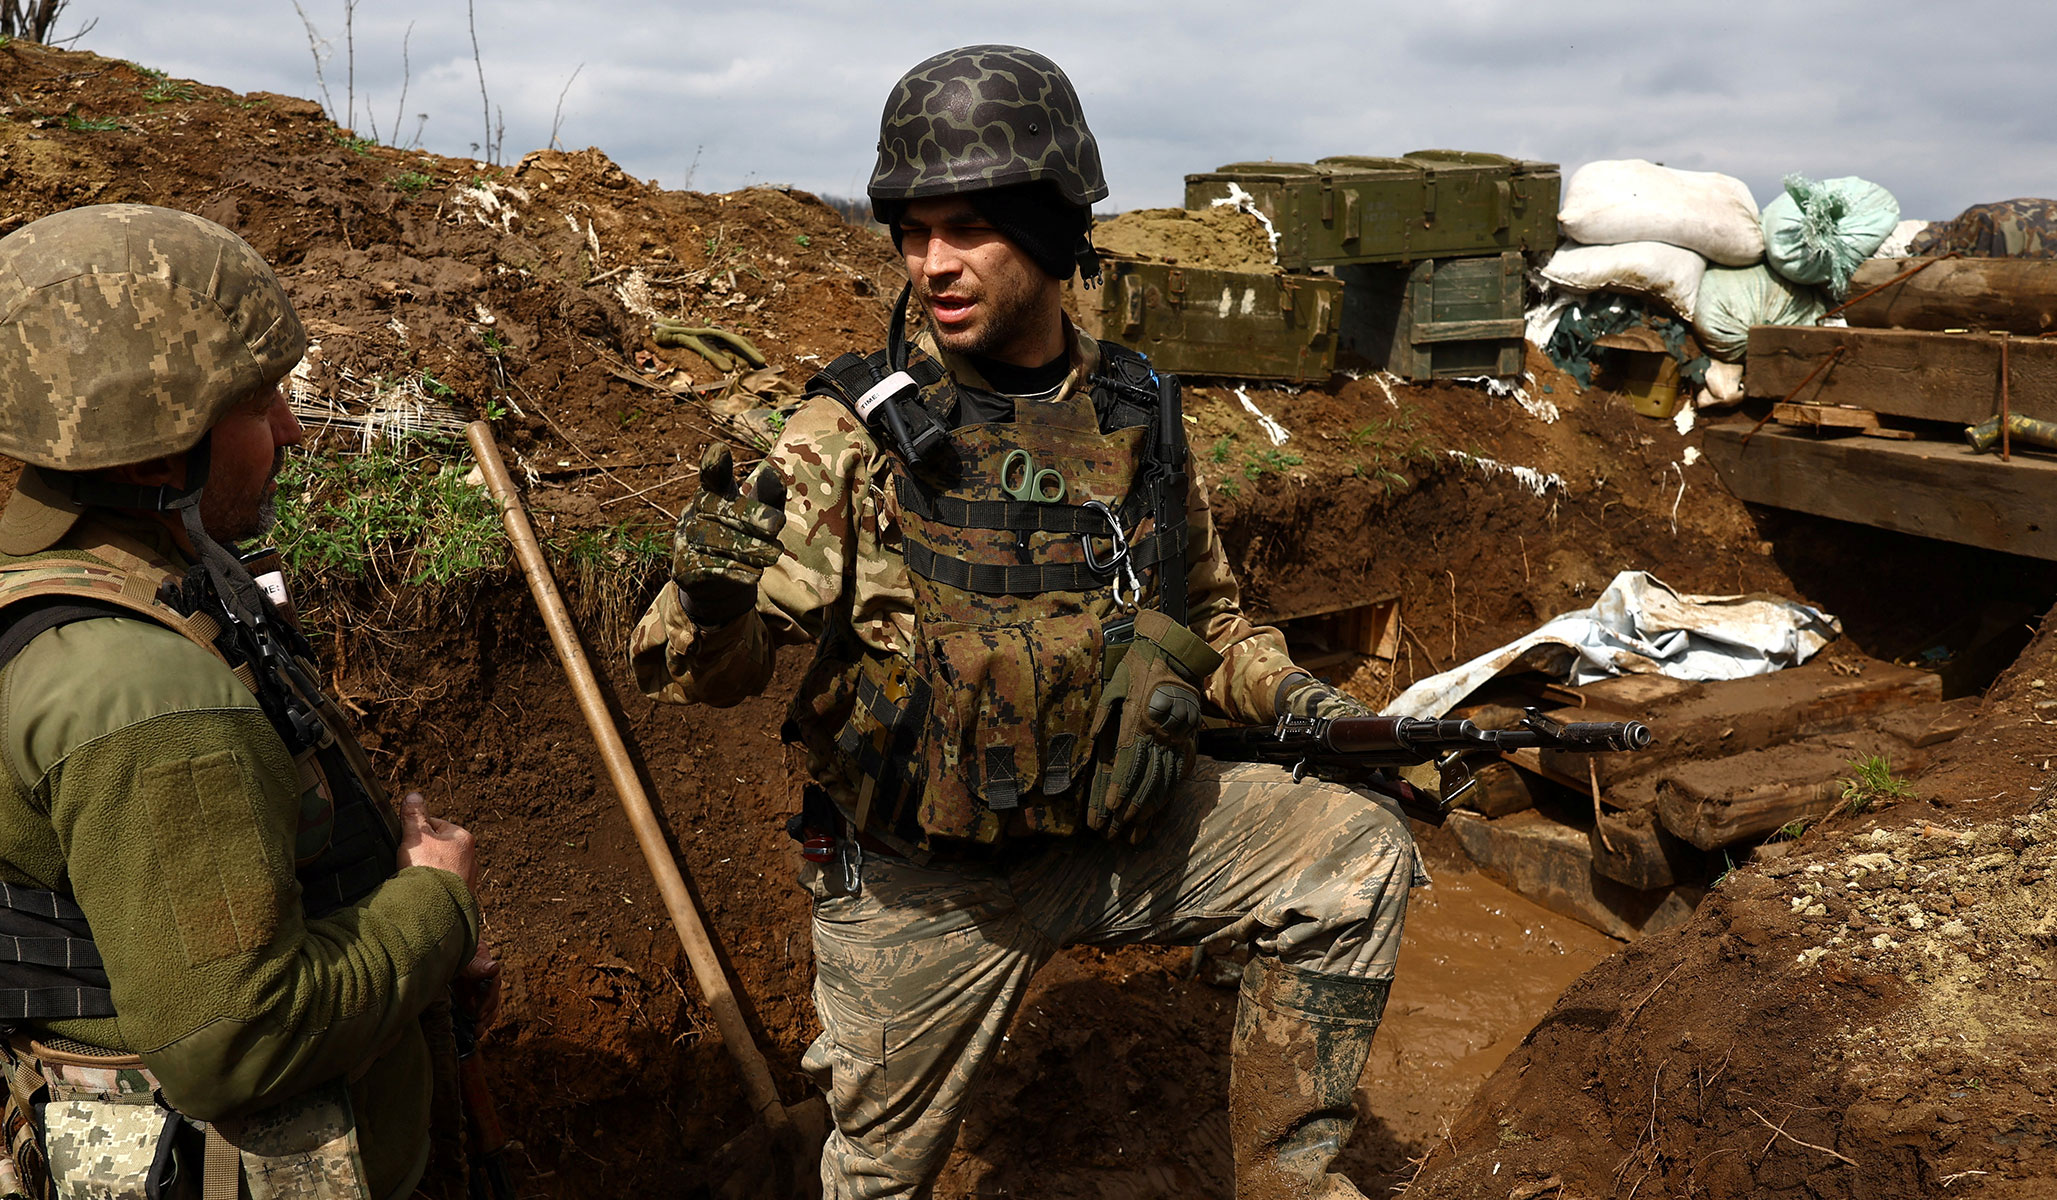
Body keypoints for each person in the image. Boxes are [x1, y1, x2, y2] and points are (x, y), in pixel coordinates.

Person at [631, 45, 1424, 1200]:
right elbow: (712, 671)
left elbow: (1207, 615)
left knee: (1354, 854)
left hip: (1119, 828)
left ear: (1051, 231)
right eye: (911, 230)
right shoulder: (841, 435)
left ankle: (1287, 1182)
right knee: (874, 1180)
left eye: (968, 228)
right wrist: (703, 598)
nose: (932, 262)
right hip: (926, 886)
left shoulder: (1139, 408)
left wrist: (1314, 709)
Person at [0, 203, 494, 1200]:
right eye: (258, 403)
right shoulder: (141, 696)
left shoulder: (120, 573)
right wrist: (435, 904)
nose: (292, 430)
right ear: (154, 450)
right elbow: (237, 1040)